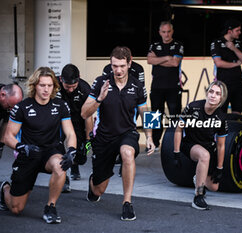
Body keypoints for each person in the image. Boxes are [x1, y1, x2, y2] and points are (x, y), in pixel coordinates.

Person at [81, 46, 155, 221]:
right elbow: (84, 113)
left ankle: (127, 203)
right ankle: (94, 183)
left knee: (127, 153)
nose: (118, 70)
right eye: (114, 66)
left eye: (122, 65)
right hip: (104, 137)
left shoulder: (138, 85)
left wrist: (150, 137)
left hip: (127, 133)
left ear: (129, 63)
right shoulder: (100, 82)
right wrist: (99, 98)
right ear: (111, 64)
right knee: (99, 189)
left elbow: (146, 112)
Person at [0, 67, 77, 224]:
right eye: (42, 85)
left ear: (54, 86)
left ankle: (50, 207)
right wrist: (22, 147)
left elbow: (70, 133)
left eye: (49, 85)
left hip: (51, 152)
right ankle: (4, 189)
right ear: (35, 85)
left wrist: (71, 151)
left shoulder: (61, 106)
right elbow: (8, 136)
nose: (46, 89)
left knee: (60, 164)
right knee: (16, 208)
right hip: (29, 153)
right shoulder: (22, 107)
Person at [173, 81, 228, 210]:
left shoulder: (221, 117)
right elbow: (179, 129)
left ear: (222, 98)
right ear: (207, 93)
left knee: (214, 187)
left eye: (217, 93)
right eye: (211, 91)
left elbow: (221, 145)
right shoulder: (193, 107)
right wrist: (176, 153)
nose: (213, 95)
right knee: (204, 155)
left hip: (208, 146)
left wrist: (220, 168)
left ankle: (197, 178)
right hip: (190, 144)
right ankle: (198, 197)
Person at [147, 21, 184, 150]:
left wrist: (159, 59)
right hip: (156, 87)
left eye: (168, 31)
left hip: (173, 87)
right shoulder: (154, 45)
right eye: (164, 32)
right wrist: (167, 57)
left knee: (175, 115)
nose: (166, 34)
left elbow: (175, 63)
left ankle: (174, 143)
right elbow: (150, 60)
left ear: (172, 31)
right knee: (154, 116)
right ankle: (153, 143)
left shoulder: (178, 45)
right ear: (159, 32)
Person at [57, 64, 93, 193]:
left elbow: (88, 116)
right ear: (61, 79)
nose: (71, 90)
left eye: (73, 87)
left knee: (81, 155)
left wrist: (89, 138)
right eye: (67, 87)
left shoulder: (85, 89)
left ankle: (75, 165)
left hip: (78, 119)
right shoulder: (53, 86)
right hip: (58, 120)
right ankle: (62, 176)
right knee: (57, 145)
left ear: (79, 79)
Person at [210, 18, 242, 114]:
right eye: (237, 30)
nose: (240, 32)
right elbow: (219, 63)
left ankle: (234, 129)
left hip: (239, 82)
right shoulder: (217, 43)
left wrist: (234, 48)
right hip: (223, 83)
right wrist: (236, 64)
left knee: (237, 114)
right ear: (229, 31)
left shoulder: (240, 43)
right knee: (220, 113)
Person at [0, 83, 23, 159]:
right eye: (9, 106)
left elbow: (7, 123)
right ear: (2, 95)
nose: (11, 110)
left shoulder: (11, 105)